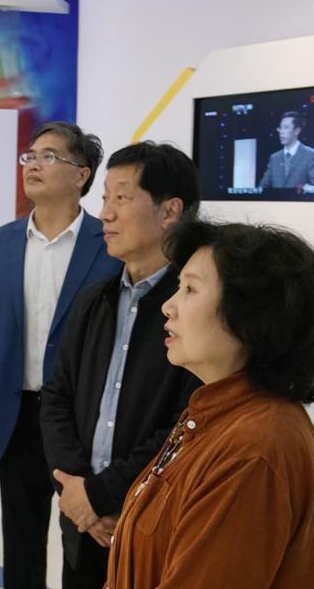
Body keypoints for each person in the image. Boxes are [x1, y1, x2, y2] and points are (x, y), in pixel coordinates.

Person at [106, 219, 314, 588]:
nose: (168, 306)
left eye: (189, 289)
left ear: (251, 315)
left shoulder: (253, 449)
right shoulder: (215, 415)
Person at [0, 121, 120, 589]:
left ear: (81, 175)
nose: (33, 164)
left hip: (81, 421)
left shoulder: (110, 244)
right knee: (21, 545)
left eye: (48, 156)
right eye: (29, 156)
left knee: (85, 540)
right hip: (15, 418)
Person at [40, 141, 203, 588]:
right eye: (105, 197)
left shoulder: (194, 310)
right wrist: (77, 494)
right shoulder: (93, 300)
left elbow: (188, 423)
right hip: (82, 526)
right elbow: (57, 398)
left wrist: (101, 495)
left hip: (154, 526)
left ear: (170, 211)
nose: (105, 214)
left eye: (122, 198)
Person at [258, 111, 314, 191]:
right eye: (280, 128)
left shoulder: (310, 155)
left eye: (286, 127)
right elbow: (262, 187)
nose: (281, 132)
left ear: (297, 131)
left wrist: (302, 189)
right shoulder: (274, 158)